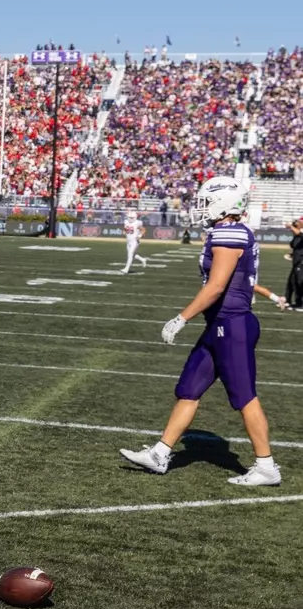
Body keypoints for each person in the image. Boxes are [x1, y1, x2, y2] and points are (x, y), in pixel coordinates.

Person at [119, 177, 279, 486]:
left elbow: (217, 286)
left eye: (206, 201)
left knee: (244, 396)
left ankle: (266, 466)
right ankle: (160, 453)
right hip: (220, 325)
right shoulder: (234, 231)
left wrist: (181, 318)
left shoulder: (228, 233)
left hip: (232, 325)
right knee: (189, 388)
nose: (202, 207)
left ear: (224, 203)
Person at [121, 208, 147, 273]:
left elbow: (143, 230)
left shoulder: (137, 223)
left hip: (134, 241)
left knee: (130, 254)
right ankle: (143, 259)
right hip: (128, 241)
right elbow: (125, 228)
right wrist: (124, 231)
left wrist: (140, 236)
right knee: (132, 255)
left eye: (132, 217)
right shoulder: (126, 221)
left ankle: (126, 269)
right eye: (130, 217)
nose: (131, 219)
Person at [287, 218, 303, 309]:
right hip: (296, 262)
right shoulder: (297, 234)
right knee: (294, 282)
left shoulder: (300, 232)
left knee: (300, 282)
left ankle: (300, 303)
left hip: (301, 261)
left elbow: (298, 233)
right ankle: (297, 302)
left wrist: (291, 226)